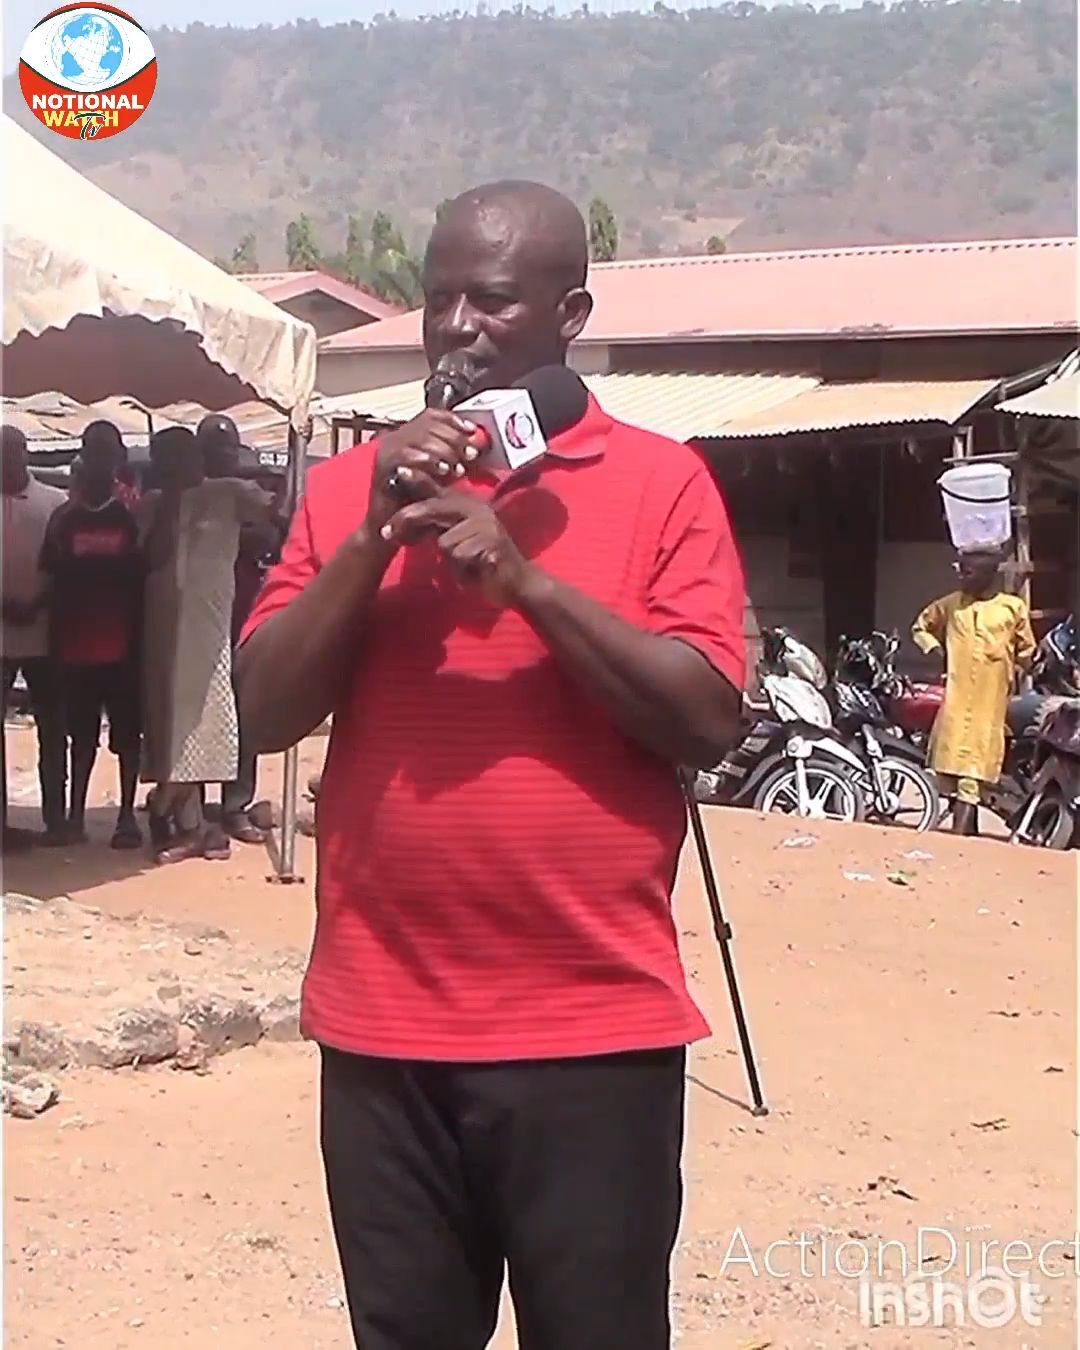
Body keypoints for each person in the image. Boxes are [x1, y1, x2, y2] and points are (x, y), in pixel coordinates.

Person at [237, 180, 746, 1350]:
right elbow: (264, 711)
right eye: (441, 299)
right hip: (383, 1031)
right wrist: (371, 534)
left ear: (570, 315)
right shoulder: (346, 491)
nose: (458, 327)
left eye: (494, 300)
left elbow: (706, 720)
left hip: (591, 1034)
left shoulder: (662, 482)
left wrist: (527, 585)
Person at [139, 426, 273, 864]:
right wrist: (171, 499)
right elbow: (153, 556)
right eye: (164, 459)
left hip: (208, 632)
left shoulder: (229, 493)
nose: (173, 466)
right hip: (162, 632)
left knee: (204, 723)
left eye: (179, 456)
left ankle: (179, 815)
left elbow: (279, 514)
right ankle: (188, 823)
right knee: (170, 726)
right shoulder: (153, 504)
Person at [41, 443, 144, 847]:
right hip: (76, 648)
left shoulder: (131, 519)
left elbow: (143, 575)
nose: (99, 467)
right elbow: (50, 574)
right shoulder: (63, 520)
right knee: (80, 739)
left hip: (123, 649)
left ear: (116, 465)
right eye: (93, 457)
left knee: (127, 738)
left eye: (106, 459)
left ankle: (126, 817)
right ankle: (75, 816)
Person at [912, 547, 1036, 835]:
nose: (961, 577)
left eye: (968, 572)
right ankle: (968, 835)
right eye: (960, 571)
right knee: (953, 772)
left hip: (989, 704)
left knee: (973, 773)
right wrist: (935, 650)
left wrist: (1025, 669)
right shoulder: (951, 605)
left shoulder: (1012, 608)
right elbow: (921, 627)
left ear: (987, 575)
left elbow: (1026, 650)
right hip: (956, 701)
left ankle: (962, 839)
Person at [1, 426, 67, 849]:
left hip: (46, 636)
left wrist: (38, 603)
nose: (6, 461)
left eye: (12, 453)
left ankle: (56, 821)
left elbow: (68, 569)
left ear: (24, 454)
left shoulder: (54, 503)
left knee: (52, 729)